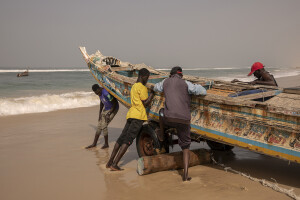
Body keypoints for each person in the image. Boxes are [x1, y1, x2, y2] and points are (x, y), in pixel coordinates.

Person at [153, 66, 207, 181]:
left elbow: (155, 88)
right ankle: (186, 175)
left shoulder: (165, 82)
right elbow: (202, 91)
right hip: (184, 120)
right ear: (181, 75)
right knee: (186, 148)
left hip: (169, 119)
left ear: (171, 75)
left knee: (161, 112)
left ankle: (162, 135)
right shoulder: (186, 83)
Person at [106, 68, 154, 171]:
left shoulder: (134, 86)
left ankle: (110, 161)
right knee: (128, 140)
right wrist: (152, 94)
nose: (147, 80)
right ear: (143, 76)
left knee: (121, 139)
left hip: (131, 114)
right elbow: (145, 103)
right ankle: (115, 164)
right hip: (138, 117)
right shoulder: (142, 87)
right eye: (147, 77)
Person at [86, 84, 119, 149]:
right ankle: (94, 144)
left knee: (104, 125)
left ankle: (106, 144)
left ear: (99, 89)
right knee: (99, 126)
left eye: (97, 93)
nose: (98, 94)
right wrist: (100, 114)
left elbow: (115, 103)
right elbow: (101, 103)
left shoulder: (106, 93)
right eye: (96, 94)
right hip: (106, 109)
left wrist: (109, 113)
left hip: (113, 109)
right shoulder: (99, 93)